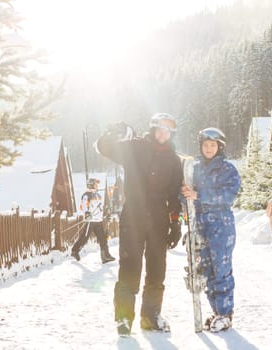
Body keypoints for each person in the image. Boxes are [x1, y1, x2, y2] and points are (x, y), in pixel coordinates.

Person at [96, 113, 183, 336]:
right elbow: (105, 149)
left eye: (168, 130)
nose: (163, 133)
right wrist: (110, 135)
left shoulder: (174, 160)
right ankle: (124, 319)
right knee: (129, 267)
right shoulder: (135, 147)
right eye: (159, 129)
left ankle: (150, 316)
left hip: (159, 219)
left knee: (157, 269)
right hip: (133, 216)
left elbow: (174, 195)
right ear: (153, 129)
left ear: (171, 133)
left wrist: (175, 224)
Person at [181, 127, 241, 333]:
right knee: (205, 269)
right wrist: (185, 194)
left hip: (221, 224)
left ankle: (225, 313)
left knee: (221, 269)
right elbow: (188, 196)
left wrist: (198, 194)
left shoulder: (227, 169)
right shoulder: (194, 168)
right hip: (200, 223)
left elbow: (228, 195)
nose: (208, 148)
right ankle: (216, 312)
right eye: (205, 145)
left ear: (219, 147)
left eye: (213, 145)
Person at [71, 178, 116, 264]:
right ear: (91, 185)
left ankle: (105, 256)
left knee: (103, 238)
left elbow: (100, 208)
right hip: (90, 221)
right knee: (85, 238)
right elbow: (83, 206)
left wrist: (106, 215)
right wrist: (86, 213)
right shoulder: (87, 195)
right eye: (95, 184)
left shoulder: (98, 195)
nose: (97, 186)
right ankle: (75, 251)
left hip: (98, 220)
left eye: (97, 184)